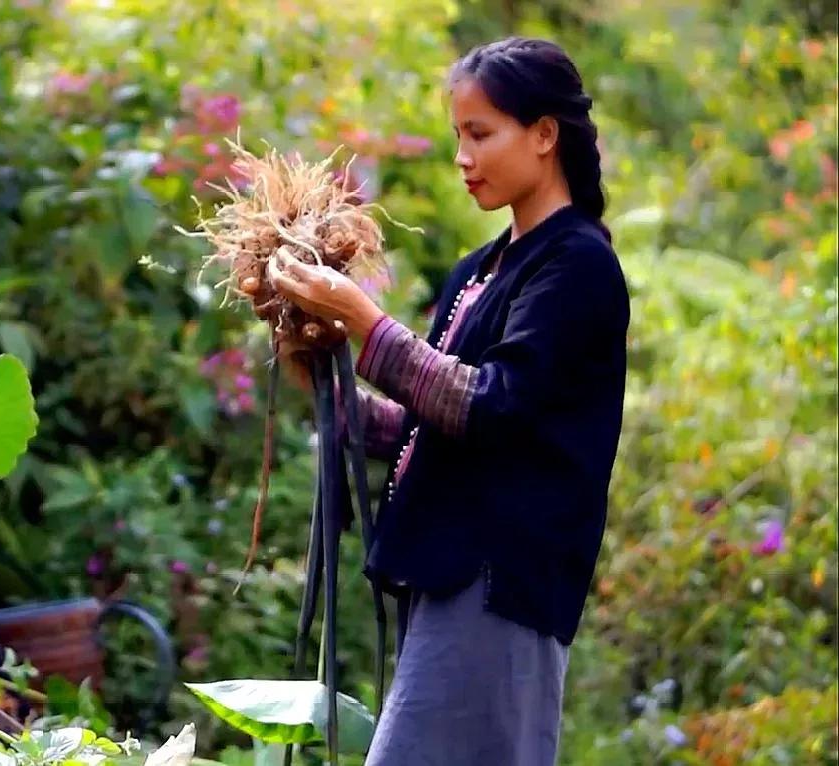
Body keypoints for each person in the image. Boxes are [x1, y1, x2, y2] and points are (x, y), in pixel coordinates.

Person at [266, 37, 629, 765]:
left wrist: (367, 324)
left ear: (545, 134)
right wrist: (326, 370)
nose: (462, 157)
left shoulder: (577, 265)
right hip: (452, 576)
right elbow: (429, 425)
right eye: (459, 135)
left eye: (481, 134)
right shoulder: (484, 268)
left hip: (499, 583)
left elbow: (488, 407)